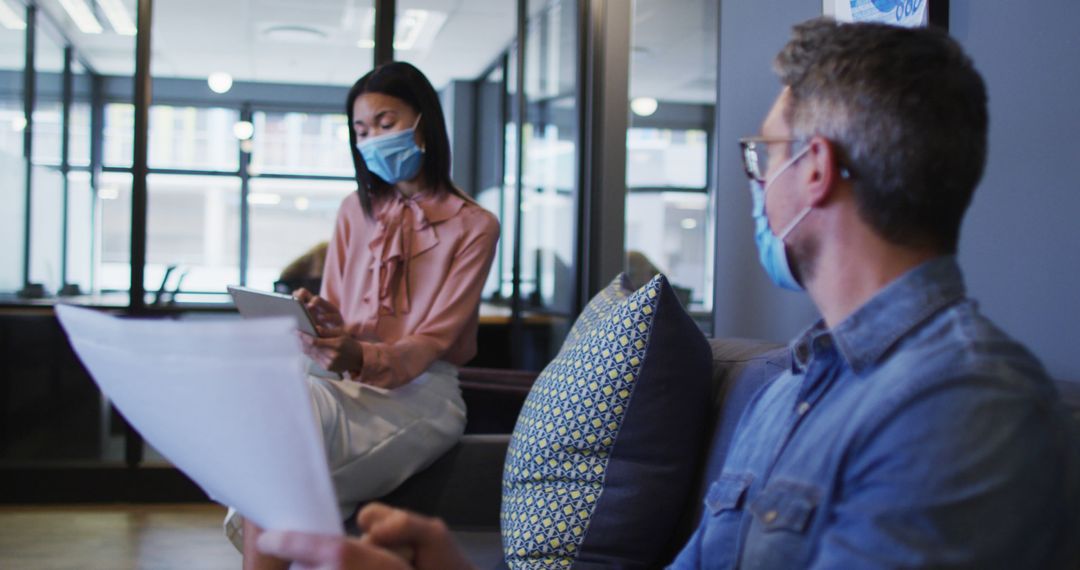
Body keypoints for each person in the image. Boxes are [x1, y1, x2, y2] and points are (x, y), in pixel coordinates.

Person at [251, 18, 1080, 569]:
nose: (757, 187)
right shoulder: (795, 384)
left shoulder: (962, 407)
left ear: (816, 171)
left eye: (765, 157)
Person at [229, 61, 500, 570]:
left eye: (385, 122)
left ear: (424, 123)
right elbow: (339, 314)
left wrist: (358, 354)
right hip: (342, 379)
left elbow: (431, 341)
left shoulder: (475, 225)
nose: (371, 138)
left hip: (422, 392)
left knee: (279, 457)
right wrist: (321, 322)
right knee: (273, 414)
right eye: (360, 130)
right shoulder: (355, 210)